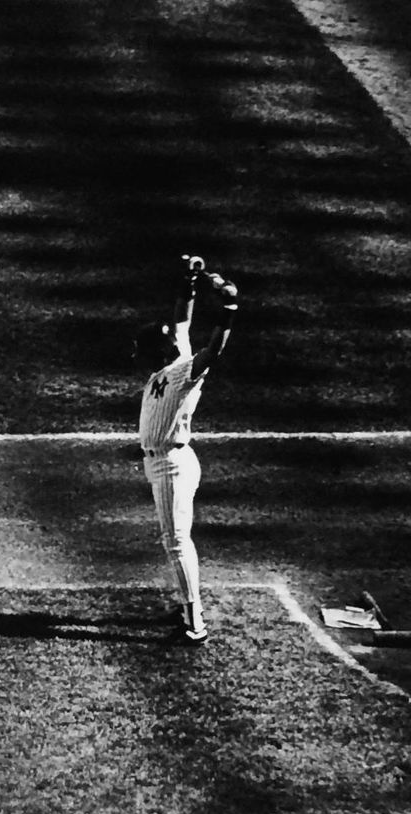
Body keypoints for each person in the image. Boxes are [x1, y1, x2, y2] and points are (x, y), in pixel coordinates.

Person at [132, 253, 238, 645]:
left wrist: (229, 307)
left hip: (172, 466)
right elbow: (181, 320)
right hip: (166, 461)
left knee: (176, 542)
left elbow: (214, 352)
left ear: (153, 351)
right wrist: (189, 281)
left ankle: (195, 625)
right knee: (175, 541)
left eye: (141, 349)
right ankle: (189, 609)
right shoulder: (171, 359)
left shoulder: (180, 373)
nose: (138, 356)